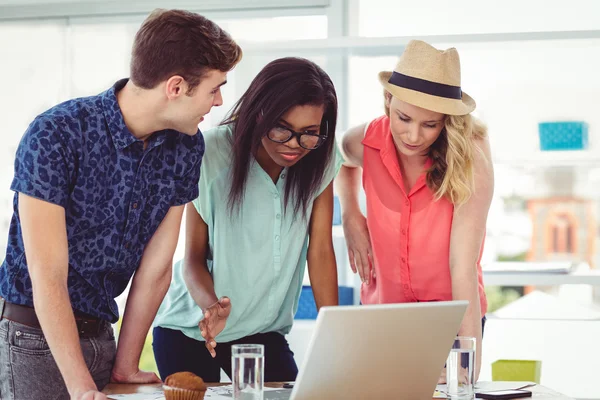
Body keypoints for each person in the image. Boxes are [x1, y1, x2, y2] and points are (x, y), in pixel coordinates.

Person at [0, 9, 241, 400]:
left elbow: (157, 267)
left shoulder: (186, 145)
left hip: (101, 338)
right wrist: (80, 388)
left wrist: (125, 364)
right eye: (214, 88)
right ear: (176, 87)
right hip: (33, 339)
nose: (218, 101)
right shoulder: (56, 133)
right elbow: (47, 275)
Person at [152, 57, 342, 383]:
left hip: (262, 332)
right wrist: (212, 308)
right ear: (258, 113)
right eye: (282, 128)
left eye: (309, 133)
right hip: (192, 329)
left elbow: (321, 251)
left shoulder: (320, 156)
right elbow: (193, 260)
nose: (295, 145)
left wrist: (336, 335)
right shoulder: (209, 153)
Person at [335, 40, 493, 381]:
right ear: (388, 101)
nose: (413, 135)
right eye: (403, 118)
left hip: (450, 319)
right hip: (383, 316)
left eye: (430, 124)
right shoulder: (365, 140)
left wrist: (467, 366)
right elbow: (341, 162)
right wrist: (351, 216)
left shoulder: (471, 155)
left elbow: (462, 266)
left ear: (447, 121)